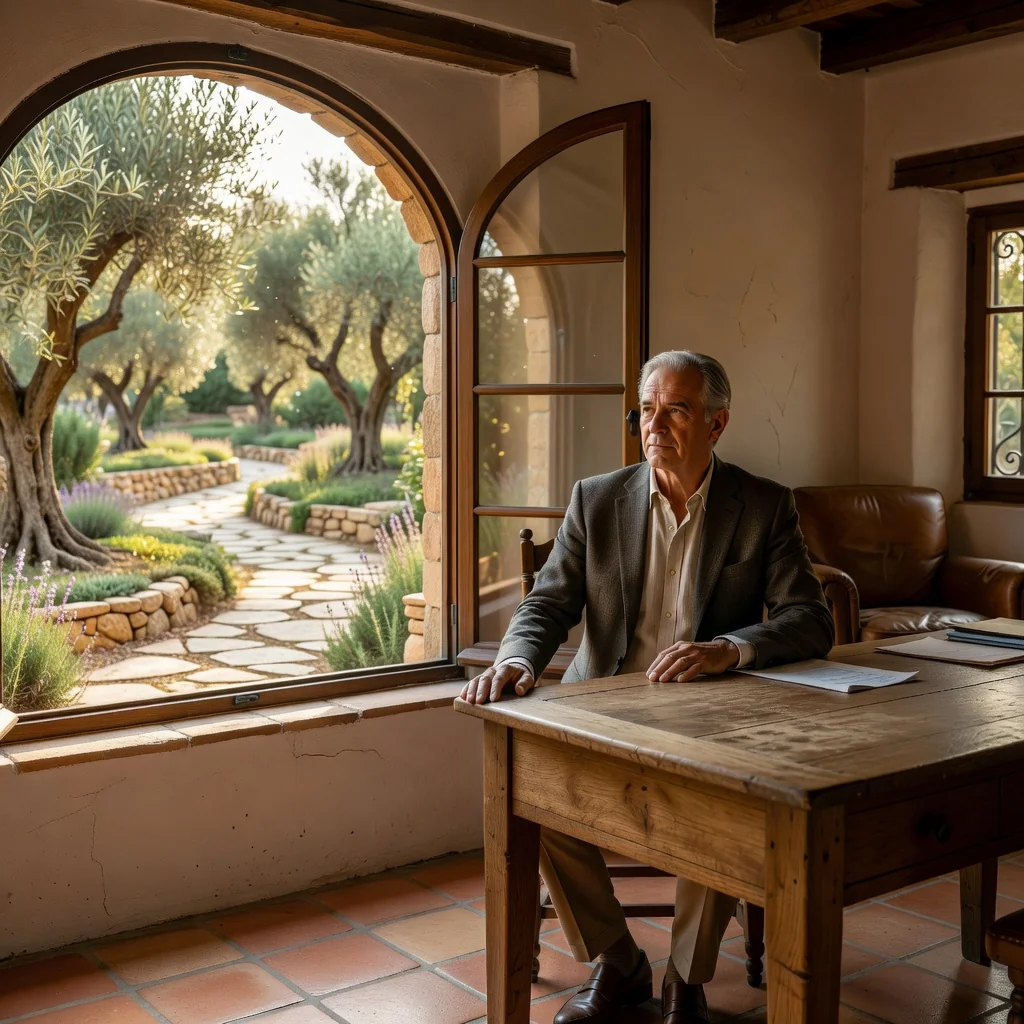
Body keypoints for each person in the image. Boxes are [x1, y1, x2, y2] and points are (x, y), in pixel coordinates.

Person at [460, 350, 834, 1024]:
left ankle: (684, 982)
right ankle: (617, 961)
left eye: (678, 410)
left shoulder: (764, 506)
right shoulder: (596, 499)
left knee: (725, 816)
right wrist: (517, 660)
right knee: (528, 792)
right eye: (647, 410)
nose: (655, 425)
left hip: (711, 720)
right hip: (604, 710)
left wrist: (730, 649)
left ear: (717, 424)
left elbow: (811, 620)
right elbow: (547, 605)